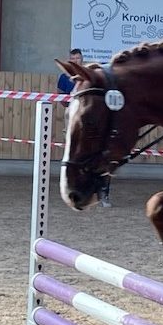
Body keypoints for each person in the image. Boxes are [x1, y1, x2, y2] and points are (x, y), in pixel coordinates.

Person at [57, 48, 112, 207]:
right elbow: (59, 95)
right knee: (74, 158)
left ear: (82, 59)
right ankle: (75, 189)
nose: (75, 60)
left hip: (91, 124)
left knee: (99, 157)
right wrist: (71, 108)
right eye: (72, 58)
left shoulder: (88, 76)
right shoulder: (64, 77)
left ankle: (103, 193)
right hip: (73, 121)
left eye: (78, 58)